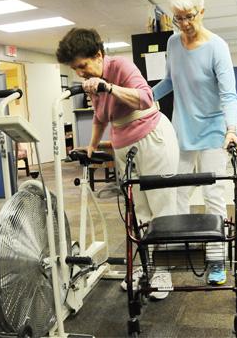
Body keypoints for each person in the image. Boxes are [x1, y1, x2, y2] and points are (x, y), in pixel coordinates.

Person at [56, 28, 178, 299]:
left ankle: (163, 271)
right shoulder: (94, 78)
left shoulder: (120, 66)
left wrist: (108, 86)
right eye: (75, 69)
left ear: (98, 55)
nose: (80, 73)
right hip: (123, 145)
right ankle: (143, 266)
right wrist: (91, 145)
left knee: (161, 205)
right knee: (137, 208)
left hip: (152, 137)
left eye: (83, 66)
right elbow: (100, 117)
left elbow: (146, 97)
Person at [153, 0, 237, 285]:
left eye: (189, 16)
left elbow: (229, 95)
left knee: (212, 195)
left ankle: (216, 258)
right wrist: (142, 97)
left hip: (214, 132)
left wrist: (231, 130)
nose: (184, 24)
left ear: (201, 12)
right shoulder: (173, 44)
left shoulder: (217, 46)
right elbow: (169, 81)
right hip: (182, 130)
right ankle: (183, 249)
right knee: (176, 193)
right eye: (177, 18)